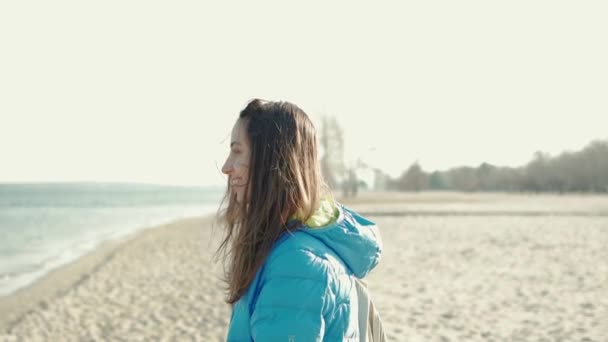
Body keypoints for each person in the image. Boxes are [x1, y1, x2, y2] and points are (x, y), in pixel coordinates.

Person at [216, 98, 383, 341]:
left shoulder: (295, 264)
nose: (226, 166)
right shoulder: (291, 248)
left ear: (271, 159)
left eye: (237, 151)